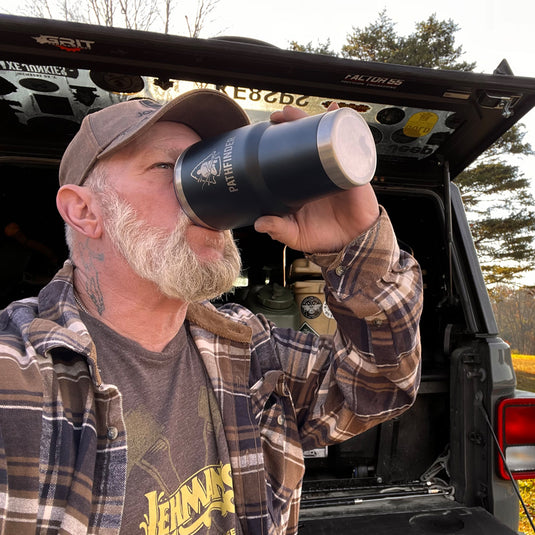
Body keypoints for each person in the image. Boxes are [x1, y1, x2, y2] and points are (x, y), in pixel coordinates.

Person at [0, 89, 423, 535]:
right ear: (84, 210)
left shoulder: (248, 347)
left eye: (210, 167)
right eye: (168, 167)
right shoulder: (19, 378)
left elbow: (382, 385)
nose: (203, 191)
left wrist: (356, 250)